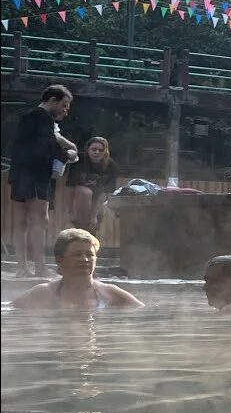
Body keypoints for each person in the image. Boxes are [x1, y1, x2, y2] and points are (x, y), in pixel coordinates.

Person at [7, 85, 76, 277]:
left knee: (21, 222)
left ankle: (22, 267)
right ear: (52, 100)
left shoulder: (27, 116)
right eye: (63, 105)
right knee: (39, 220)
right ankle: (40, 266)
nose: (65, 110)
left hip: (19, 172)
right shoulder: (43, 117)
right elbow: (48, 143)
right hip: (36, 173)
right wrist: (67, 155)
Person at [11, 228, 144, 310]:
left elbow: (142, 313)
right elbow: (11, 312)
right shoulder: (43, 293)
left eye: (90, 255)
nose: (85, 259)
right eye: (77, 254)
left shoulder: (110, 293)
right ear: (59, 259)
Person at [66, 137, 119, 233]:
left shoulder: (111, 166)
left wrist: (94, 215)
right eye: (94, 149)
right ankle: (82, 230)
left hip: (99, 199)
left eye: (100, 150)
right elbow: (70, 188)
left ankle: (90, 236)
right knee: (85, 192)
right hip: (80, 197)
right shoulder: (79, 161)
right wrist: (70, 212)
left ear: (105, 152)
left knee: (94, 224)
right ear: (88, 150)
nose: (97, 152)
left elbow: (105, 193)